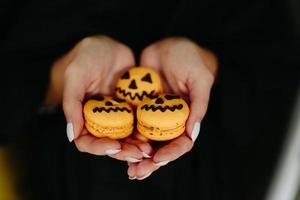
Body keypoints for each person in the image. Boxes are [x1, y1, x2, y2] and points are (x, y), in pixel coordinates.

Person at [0, 0, 299, 199]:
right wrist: (59, 77)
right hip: (60, 176)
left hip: (208, 176)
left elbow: (275, 67)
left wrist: (209, 66)